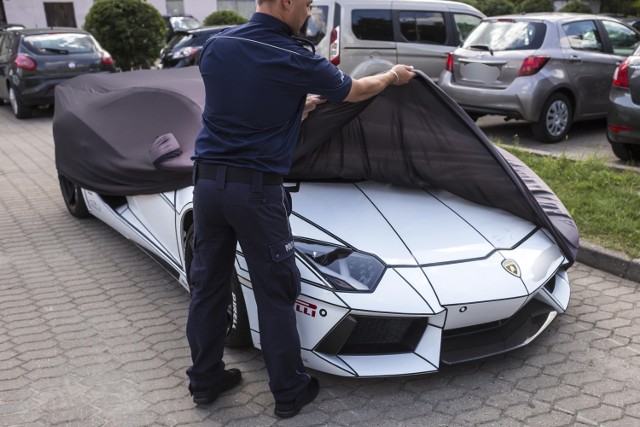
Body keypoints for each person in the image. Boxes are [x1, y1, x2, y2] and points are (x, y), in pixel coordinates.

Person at [185, 0, 416, 419]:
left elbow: (242, 103)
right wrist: (392, 75)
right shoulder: (293, 55)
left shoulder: (218, 45)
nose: (309, 13)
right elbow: (356, 90)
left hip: (206, 187)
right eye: (308, 5)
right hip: (255, 194)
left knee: (208, 287)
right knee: (275, 293)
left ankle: (204, 381)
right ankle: (289, 392)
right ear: (286, 3)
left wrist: (296, 106)